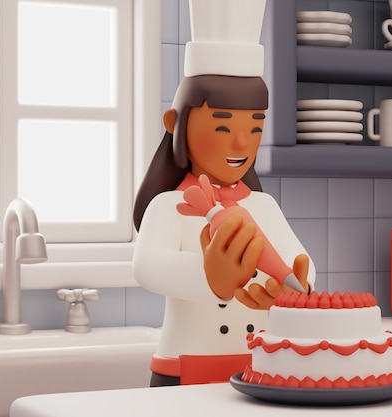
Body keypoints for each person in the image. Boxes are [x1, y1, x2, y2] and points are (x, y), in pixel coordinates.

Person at [132, 74, 315, 386]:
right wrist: (210, 276)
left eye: (255, 128)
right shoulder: (166, 205)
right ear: (175, 125)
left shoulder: (264, 205)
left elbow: (299, 262)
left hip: (260, 366)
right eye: (222, 127)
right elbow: (146, 267)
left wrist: (295, 291)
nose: (242, 143)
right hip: (184, 366)